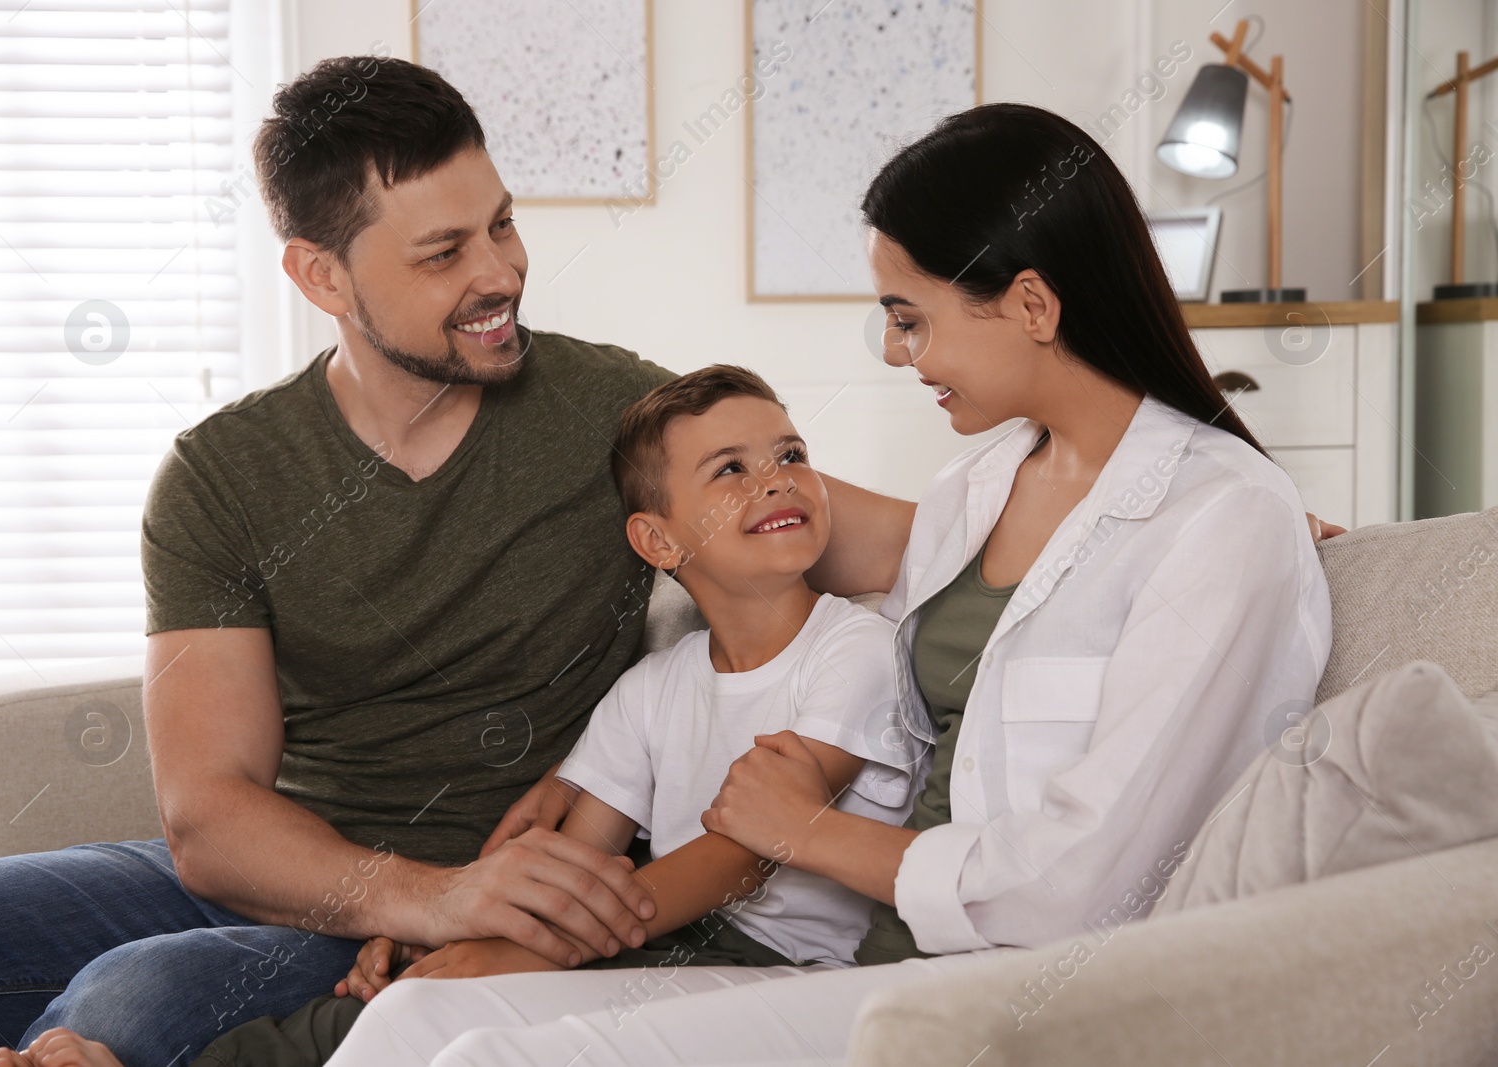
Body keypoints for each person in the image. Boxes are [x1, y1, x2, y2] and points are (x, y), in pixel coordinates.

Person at [260, 101, 1334, 1066]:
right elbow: (755, 531)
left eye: (909, 316)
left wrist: (808, 833)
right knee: (412, 1022)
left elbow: (1084, 880)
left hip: (1023, 983)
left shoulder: (1219, 517)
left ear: (1034, 304)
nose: (898, 353)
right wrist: (500, 897)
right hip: (874, 957)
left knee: (501, 1058)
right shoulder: (978, 486)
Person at [0, 56, 915, 1067]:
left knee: (129, 1005)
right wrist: (427, 895)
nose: (499, 273)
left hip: (498, 896)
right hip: (305, 872)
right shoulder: (224, 473)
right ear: (322, 275)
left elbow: (901, 541)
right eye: (443, 252)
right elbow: (213, 817)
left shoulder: (612, 417)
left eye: (501, 224)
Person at [0, 365, 929, 1067]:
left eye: (792, 455)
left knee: (427, 1013)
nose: (776, 479)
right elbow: (579, 857)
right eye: (732, 469)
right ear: (657, 539)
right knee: (358, 1014)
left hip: (770, 960)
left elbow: (749, 848)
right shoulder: (658, 686)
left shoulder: (851, 648)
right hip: (648, 929)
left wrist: (527, 946)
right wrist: (447, 935)